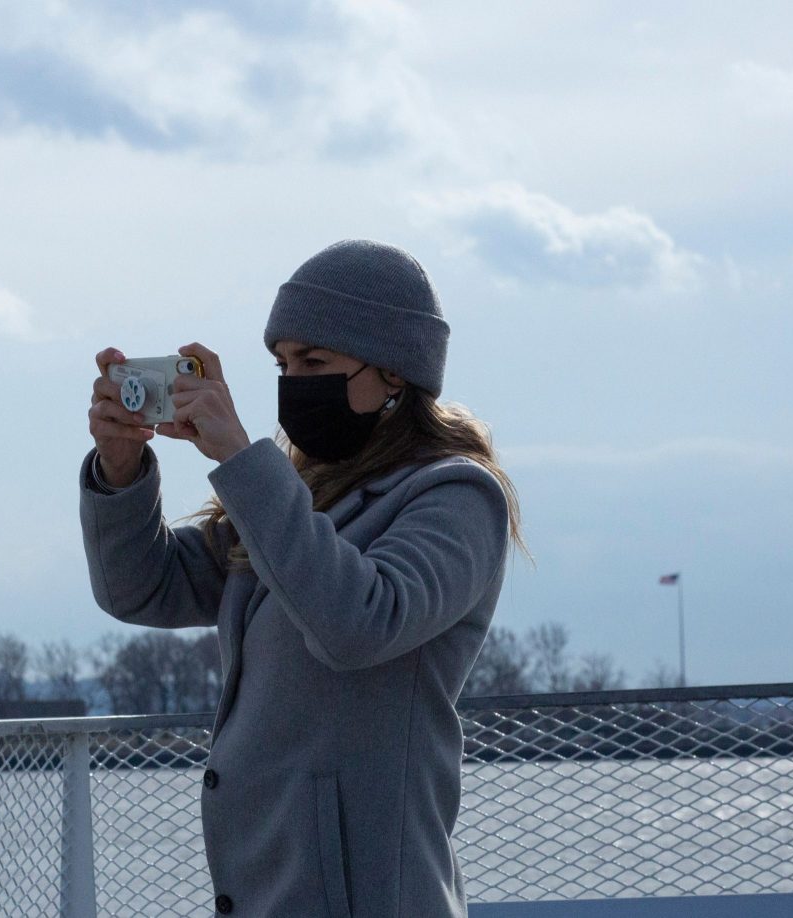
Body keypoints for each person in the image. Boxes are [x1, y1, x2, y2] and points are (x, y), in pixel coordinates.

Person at [79, 239, 527, 917]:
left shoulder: (457, 498)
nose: (293, 381)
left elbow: (358, 623)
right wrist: (121, 469)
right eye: (283, 363)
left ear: (395, 375)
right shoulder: (291, 496)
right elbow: (141, 588)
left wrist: (241, 457)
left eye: (314, 361)